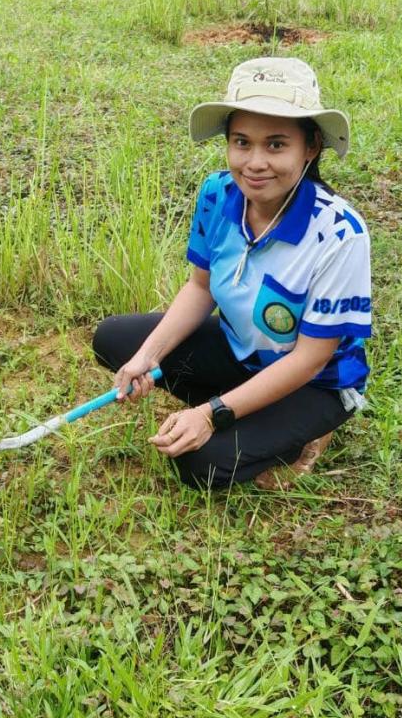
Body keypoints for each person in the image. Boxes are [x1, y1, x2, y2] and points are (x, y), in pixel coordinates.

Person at [92, 58, 371, 491]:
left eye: (276, 145)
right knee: (114, 339)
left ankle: (303, 434)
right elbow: (199, 288)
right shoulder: (217, 192)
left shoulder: (340, 235)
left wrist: (210, 414)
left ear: (310, 147)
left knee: (200, 465)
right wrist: (147, 356)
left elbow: (310, 358)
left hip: (313, 382)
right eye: (242, 142)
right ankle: (242, 406)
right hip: (240, 352)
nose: (255, 162)